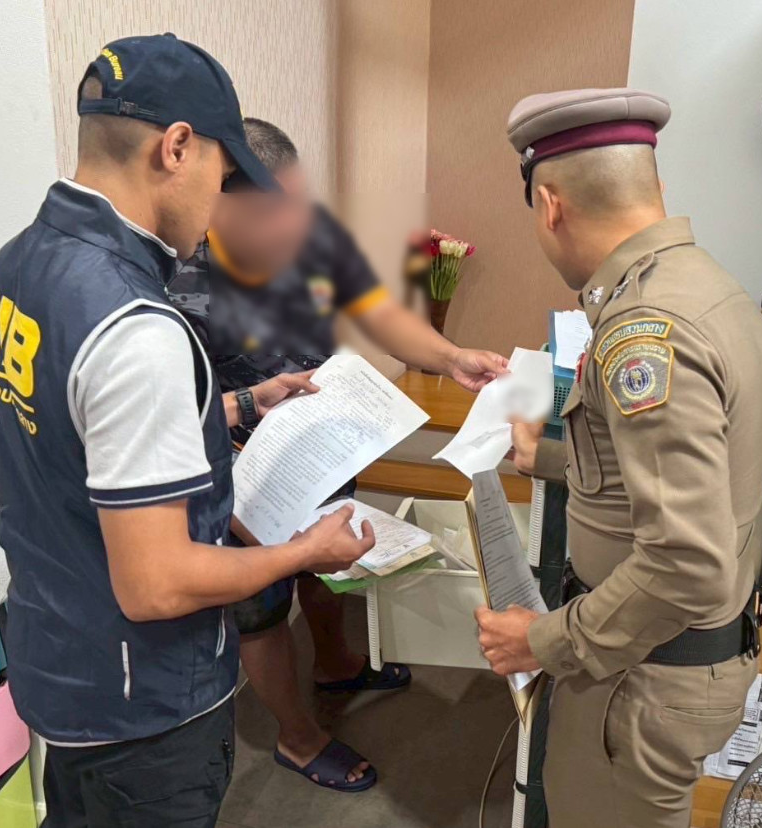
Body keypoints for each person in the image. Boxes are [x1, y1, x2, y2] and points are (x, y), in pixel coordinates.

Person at [0, 35, 375, 827]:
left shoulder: (17, 265)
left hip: (58, 658)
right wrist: (303, 553)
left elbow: (81, 429)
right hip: (143, 705)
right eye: (223, 177)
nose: (221, 204)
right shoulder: (134, 322)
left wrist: (246, 403)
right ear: (178, 147)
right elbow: (157, 583)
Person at [167, 117, 509, 792]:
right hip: (241, 475)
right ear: (223, 201)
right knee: (261, 612)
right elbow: (171, 409)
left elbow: (378, 312)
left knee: (330, 560)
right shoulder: (181, 280)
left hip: (322, 446)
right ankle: (297, 739)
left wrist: (451, 357)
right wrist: (236, 424)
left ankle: (336, 662)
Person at [475, 88, 762, 828]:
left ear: (549, 204)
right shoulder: (705, 286)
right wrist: (546, 458)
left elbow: (686, 561)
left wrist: (542, 641)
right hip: (673, 658)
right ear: (654, 187)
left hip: (641, 677)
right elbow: (672, 472)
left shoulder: (646, 327)